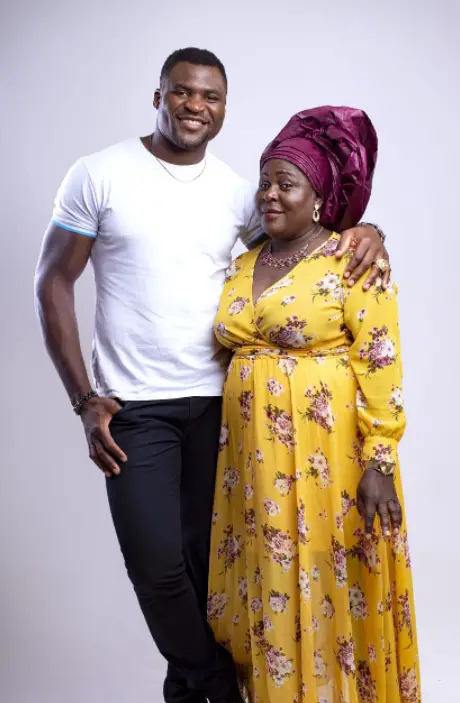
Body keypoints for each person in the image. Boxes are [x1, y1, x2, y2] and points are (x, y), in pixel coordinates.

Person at [34, 46, 390, 703]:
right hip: (132, 407)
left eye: (211, 96)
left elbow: (306, 236)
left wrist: (369, 227)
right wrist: (83, 398)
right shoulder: (99, 173)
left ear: (225, 106)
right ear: (158, 95)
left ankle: (185, 686)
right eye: (183, 92)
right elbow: (53, 279)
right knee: (157, 565)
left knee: (211, 572)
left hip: (224, 409)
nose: (196, 105)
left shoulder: (237, 191)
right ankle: (212, 680)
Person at [208, 106, 420, 703]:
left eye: (287, 184)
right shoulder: (244, 258)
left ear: (320, 196)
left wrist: (380, 462)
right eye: (265, 182)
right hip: (252, 466)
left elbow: (381, 360)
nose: (271, 195)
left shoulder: (353, 260)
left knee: (330, 582)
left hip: (331, 460)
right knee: (269, 582)